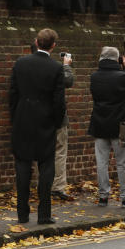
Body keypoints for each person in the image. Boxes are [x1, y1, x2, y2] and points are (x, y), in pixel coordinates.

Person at [9, 28, 66, 224]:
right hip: (45, 123)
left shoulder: (21, 63)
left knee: (23, 168)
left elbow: (13, 94)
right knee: (47, 168)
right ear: (53, 45)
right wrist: (57, 123)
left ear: (36, 41)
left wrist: (15, 117)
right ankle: (44, 214)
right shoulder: (56, 68)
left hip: (23, 120)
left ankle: (22, 214)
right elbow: (59, 101)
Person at [88, 47, 125, 206]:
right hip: (121, 125)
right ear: (117, 60)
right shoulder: (122, 77)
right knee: (122, 162)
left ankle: (103, 196)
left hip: (99, 123)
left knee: (101, 162)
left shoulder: (94, 77)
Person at [50, 49, 76, 202]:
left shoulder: (26, 66)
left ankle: (44, 185)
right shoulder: (55, 68)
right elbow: (68, 81)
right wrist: (66, 65)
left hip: (39, 118)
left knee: (44, 152)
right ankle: (57, 187)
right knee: (59, 152)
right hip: (58, 117)